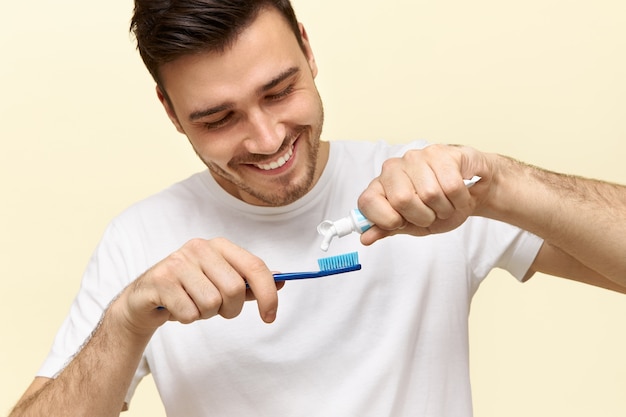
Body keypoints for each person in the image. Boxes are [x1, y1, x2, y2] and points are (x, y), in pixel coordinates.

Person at [9, 1, 626, 416]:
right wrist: (125, 323)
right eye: (218, 118)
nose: (267, 138)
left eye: (280, 91)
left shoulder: (437, 189)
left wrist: (500, 183)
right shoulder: (141, 240)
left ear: (308, 49)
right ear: (171, 113)